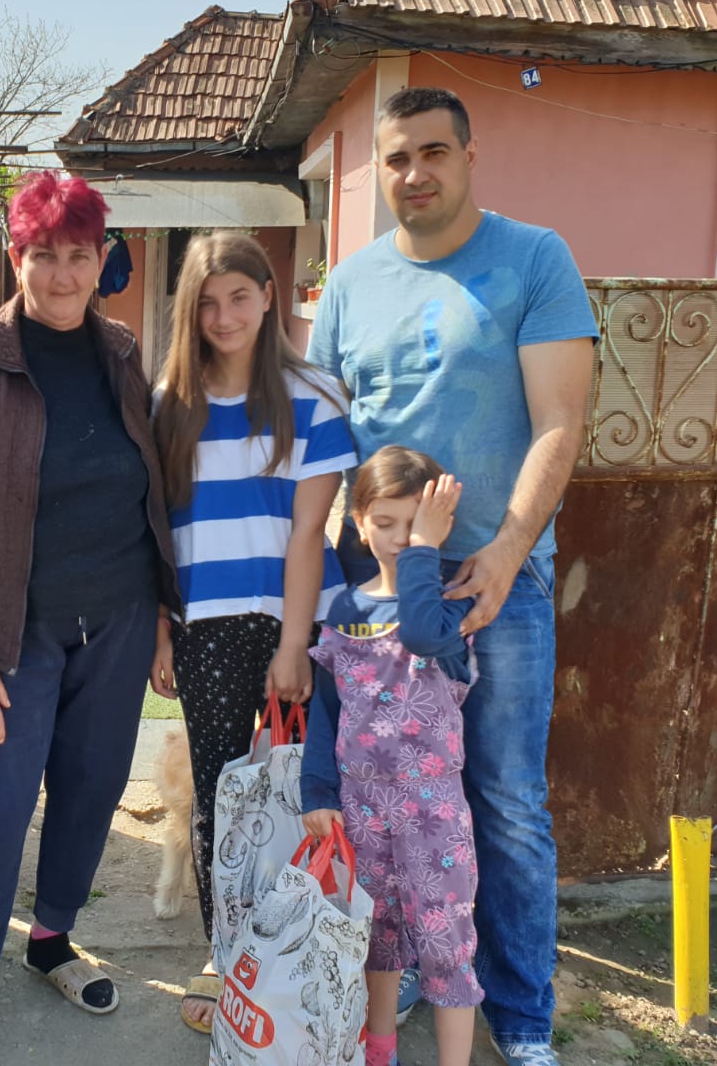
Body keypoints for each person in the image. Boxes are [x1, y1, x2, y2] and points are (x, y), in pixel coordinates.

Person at [307, 86, 596, 1065]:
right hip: (380, 597)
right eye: (396, 158)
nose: (415, 173)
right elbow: (326, 445)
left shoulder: (534, 259)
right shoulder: (350, 285)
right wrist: (328, 586)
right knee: (375, 797)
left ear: (470, 156)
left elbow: (559, 420)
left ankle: (519, 1018)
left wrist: (507, 550)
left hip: (493, 583)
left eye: (433, 152)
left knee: (504, 802)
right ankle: (383, 991)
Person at [0, 172, 180, 1066]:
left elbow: (148, 486)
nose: (63, 274)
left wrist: (161, 613)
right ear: (15, 258)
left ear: (102, 259)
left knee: (92, 790)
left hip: (119, 619)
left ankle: (53, 938)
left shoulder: (122, 353)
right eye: (44, 256)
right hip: (10, 635)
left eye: (79, 255)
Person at [147, 231, 354, 1033]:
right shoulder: (169, 403)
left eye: (239, 296)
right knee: (220, 799)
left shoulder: (315, 396)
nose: (224, 315)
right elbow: (160, 532)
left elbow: (308, 531)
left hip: (291, 620)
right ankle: (226, 952)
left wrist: (294, 644)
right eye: (207, 302)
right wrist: (163, 631)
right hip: (203, 628)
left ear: (269, 297)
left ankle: (300, 942)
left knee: (302, 791)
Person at [303, 447, 480, 1066]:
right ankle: (379, 1054)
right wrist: (317, 792)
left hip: (434, 816)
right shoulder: (345, 611)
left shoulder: (449, 608)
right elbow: (326, 711)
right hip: (360, 811)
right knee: (376, 943)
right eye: (386, 524)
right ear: (358, 523)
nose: (402, 539)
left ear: (439, 528)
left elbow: (422, 634)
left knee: (446, 945)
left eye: (416, 526)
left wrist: (427, 551)